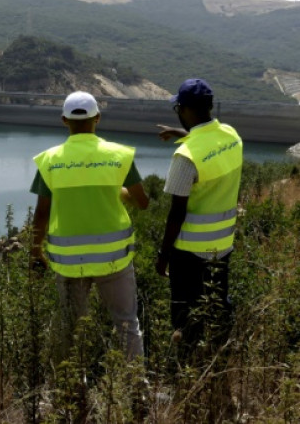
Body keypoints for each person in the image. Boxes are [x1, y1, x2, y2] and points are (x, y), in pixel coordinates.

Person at [30, 91, 150, 362]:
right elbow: (142, 202)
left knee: (72, 328)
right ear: (98, 118)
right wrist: (120, 193)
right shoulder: (119, 155)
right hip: (114, 258)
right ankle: (135, 384)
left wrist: (35, 252)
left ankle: (73, 385)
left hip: (69, 263)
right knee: (126, 323)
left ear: (64, 120)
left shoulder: (50, 160)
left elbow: (41, 213)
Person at [155, 78, 242, 357]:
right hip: (223, 244)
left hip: (189, 252)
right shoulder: (231, 135)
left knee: (184, 313)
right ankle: (221, 356)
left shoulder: (185, 157)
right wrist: (181, 133)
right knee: (217, 303)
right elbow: (208, 144)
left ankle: (185, 364)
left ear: (184, 109)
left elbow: (176, 212)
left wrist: (163, 255)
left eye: (178, 109)